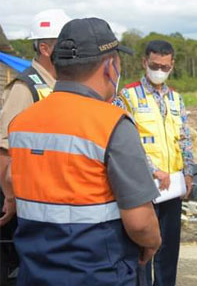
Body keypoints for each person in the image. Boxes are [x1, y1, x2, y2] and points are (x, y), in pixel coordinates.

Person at [7, 17, 161, 285]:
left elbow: (11, 179)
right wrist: (152, 242)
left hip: (34, 271)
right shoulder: (112, 123)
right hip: (98, 272)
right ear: (110, 66)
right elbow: (140, 223)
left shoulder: (21, 123)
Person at [0, 9, 71, 284]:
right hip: (26, 204)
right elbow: (5, 149)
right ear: (44, 47)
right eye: (63, 44)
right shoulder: (25, 87)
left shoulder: (61, 85)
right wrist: (10, 197)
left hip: (54, 200)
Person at [116, 40, 194, 286]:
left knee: (168, 248)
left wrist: (189, 173)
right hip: (143, 185)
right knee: (143, 247)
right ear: (144, 62)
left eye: (165, 66)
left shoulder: (176, 99)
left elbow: (184, 137)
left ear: (172, 66)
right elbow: (125, 141)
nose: (159, 70)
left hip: (172, 187)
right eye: (154, 65)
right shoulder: (127, 96)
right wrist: (153, 170)